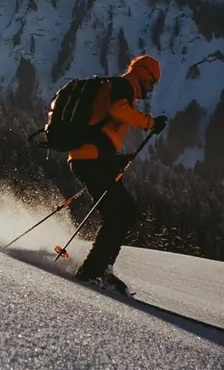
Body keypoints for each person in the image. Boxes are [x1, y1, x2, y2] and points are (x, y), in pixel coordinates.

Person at [66, 55, 167, 291]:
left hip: (90, 158)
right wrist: (150, 123)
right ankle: (93, 272)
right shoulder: (122, 86)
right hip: (90, 159)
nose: (151, 90)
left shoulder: (119, 87)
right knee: (119, 212)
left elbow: (102, 127)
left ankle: (100, 269)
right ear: (143, 74)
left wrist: (114, 159)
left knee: (121, 211)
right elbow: (117, 110)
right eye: (152, 83)